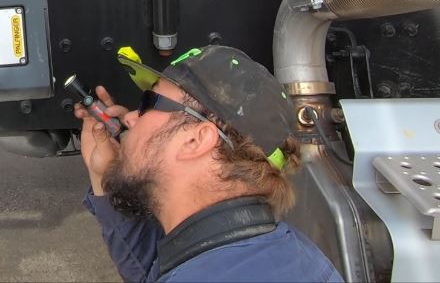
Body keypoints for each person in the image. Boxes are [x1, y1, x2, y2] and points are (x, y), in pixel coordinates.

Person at [74, 45, 343, 282]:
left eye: (149, 102)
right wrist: (105, 175)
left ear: (196, 139)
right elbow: (155, 273)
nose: (131, 117)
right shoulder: (283, 255)